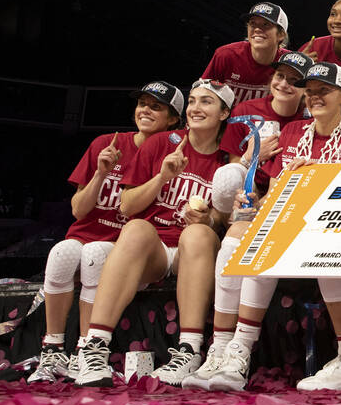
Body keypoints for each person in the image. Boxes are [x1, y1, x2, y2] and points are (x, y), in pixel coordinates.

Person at [206, 62, 341, 392]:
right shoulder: (291, 133)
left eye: (323, 91)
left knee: (305, 241)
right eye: (309, 92)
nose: (314, 97)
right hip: (286, 222)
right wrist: (252, 202)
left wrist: (322, 172)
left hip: (337, 226)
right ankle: (233, 351)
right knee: (239, 241)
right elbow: (272, 193)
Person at [75, 80, 236, 387]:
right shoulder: (161, 143)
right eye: (192, 101)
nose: (196, 108)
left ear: (224, 113)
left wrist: (207, 219)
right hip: (157, 249)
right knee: (135, 228)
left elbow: (224, 220)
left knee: (197, 234)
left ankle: (189, 350)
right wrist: (163, 177)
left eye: (206, 102)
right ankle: (94, 347)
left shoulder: (229, 158)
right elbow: (127, 206)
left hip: (196, 252)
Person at [28, 81, 182, 383]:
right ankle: (53, 349)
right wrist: (100, 172)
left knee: (95, 255)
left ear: (174, 118)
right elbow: (78, 210)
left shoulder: (172, 154)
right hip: (86, 233)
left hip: (125, 246)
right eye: (142, 104)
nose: (145, 110)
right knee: (61, 252)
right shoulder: (107, 144)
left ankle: (87, 351)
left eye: (156, 107)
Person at [181, 52, 312, 389]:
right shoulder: (248, 113)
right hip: (251, 204)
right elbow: (237, 173)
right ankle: (221, 347)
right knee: (236, 230)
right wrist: (252, 162)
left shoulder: (305, 126)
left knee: (259, 233)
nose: (283, 84)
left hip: (297, 214)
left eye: (294, 81)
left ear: (307, 92)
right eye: (279, 76)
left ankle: (240, 349)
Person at [202, 2, 291, 103]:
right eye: (253, 23)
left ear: (281, 35)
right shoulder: (226, 55)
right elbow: (202, 94)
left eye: (266, 24)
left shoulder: (288, 63)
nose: (257, 29)